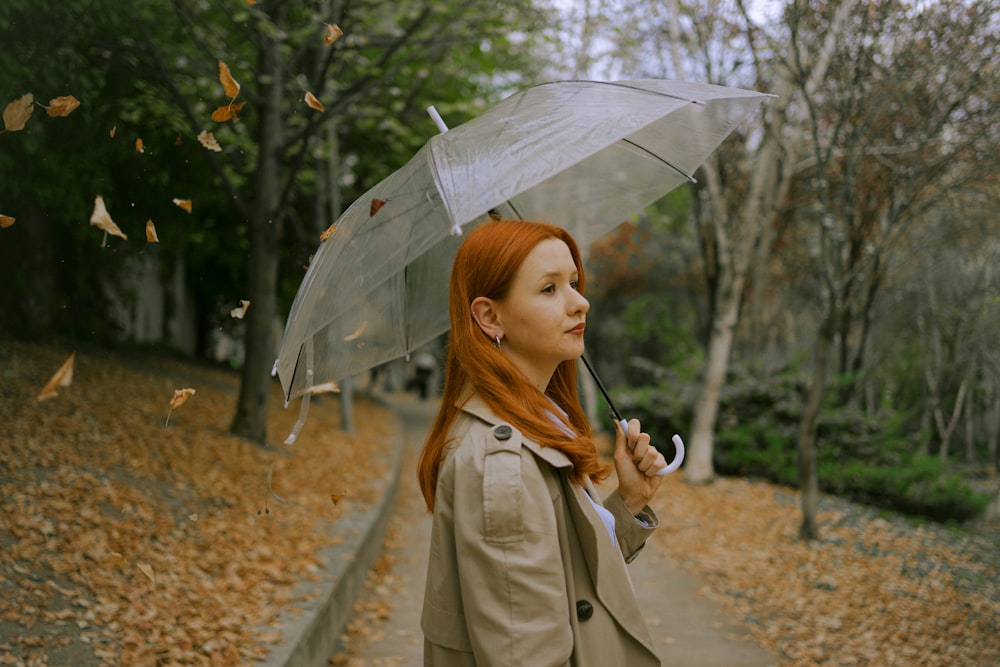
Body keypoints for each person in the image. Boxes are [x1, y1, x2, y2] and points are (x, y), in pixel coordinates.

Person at [417, 219, 667, 666]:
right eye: (549, 290)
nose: (581, 302)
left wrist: (628, 503)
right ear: (490, 316)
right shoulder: (504, 464)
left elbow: (571, 582)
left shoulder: (535, 423)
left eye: (573, 282)